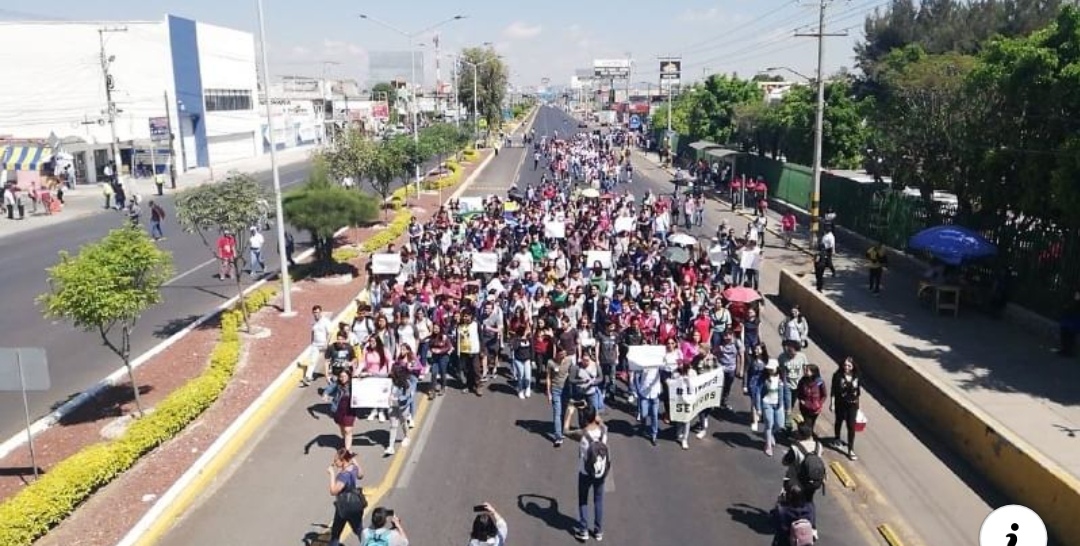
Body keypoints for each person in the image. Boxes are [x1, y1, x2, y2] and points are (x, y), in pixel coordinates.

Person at [574, 404, 608, 542]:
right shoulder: (604, 432)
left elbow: (565, 430)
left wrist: (570, 413)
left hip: (585, 472)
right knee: (598, 500)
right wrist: (597, 417)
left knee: (583, 500)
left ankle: (583, 530)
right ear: (595, 417)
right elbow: (603, 424)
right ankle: (598, 531)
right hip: (600, 471)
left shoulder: (583, 436)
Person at [326, 449, 365, 546]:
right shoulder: (353, 468)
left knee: (338, 533)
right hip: (354, 504)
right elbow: (361, 475)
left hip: (345, 506)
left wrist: (332, 475)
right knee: (357, 530)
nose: (334, 463)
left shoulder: (343, 475)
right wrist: (355, 461)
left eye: (336, 460)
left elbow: (333, 491)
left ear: (343, 460)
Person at [831, 357, 862, 460]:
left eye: (849, 365)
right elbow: (833, 390)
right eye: (845, 365)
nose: (846, 367)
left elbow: (858, 392)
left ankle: (850, 449)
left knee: (851, 426)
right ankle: (837, 438)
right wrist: (832, 403)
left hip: (852, 405)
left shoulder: (856, 376)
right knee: (839, 421)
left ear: (853, 366)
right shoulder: (837, 376)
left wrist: (859, 405)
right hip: (840, 403)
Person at [771, 481, 817, 546]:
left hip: (785, 541)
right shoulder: (809, 508)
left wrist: (779, 502)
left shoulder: (782, 510)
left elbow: (774, 520)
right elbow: (813, 523)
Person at [323, 370, 357, 451]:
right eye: (341, 376)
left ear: (349, 376)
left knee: (347, 429)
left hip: (350, 409)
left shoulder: (354, 383)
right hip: (338, 409)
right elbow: (329, 388)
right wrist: (325, 394)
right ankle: (345, 440)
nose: (343, 378)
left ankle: (347, 450)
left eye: (345, 376)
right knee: (342, 427)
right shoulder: (337, 384)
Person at [304, 305, 334, 387]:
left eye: (317, 312)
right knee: (312, 361)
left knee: (328, 360)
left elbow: (330, 333)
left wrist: (326, 343)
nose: (316, 314)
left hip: (324, 344)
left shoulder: (325, 321)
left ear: (321, 312)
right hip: (315, 345)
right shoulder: (313, 322)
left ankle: (330, 374)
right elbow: (313, 332)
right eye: (314, 313)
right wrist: (311, 342)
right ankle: (308, 377)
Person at [795, 364, 827, 435]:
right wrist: (801, 400)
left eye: (807, 370)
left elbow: (824, 395)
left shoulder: (820, 382)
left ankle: (809, 435)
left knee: (812, 422)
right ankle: (807, 435)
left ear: (813, 372)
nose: (805, 371)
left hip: (815, 408)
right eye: (805, 370)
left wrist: (819, 404)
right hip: (805, 407)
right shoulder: (803, 380)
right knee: (807, 423)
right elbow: (798, 391)